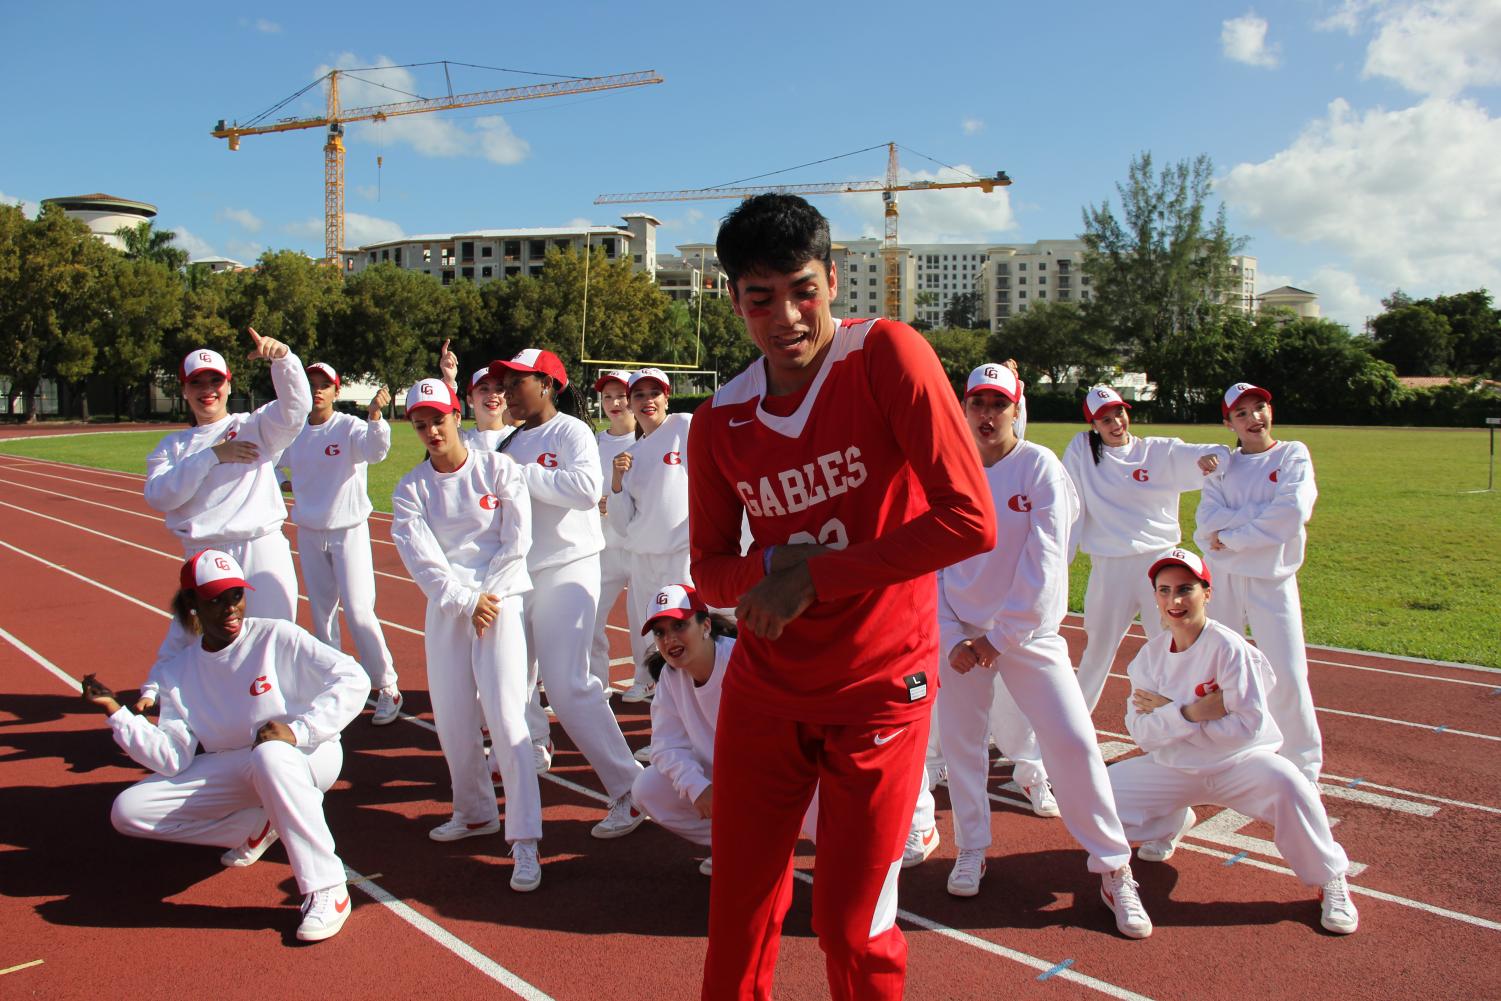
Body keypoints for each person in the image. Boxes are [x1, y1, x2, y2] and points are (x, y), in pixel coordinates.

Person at [687, 194, 995, 1001]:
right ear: (733, 301)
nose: (784, 315)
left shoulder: (886, 354)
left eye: (801, 289)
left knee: (851, 925)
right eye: (760, 298)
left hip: (879, 688)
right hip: (766, 690)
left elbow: (968, 520)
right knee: (739, 910)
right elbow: (709, 571)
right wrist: (767, 570)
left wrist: (812, 576)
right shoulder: (718, 420)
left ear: (833, 278)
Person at [928, 364, 1151, 938]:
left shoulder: (1041, 468)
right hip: (961, 637)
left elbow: (1046, 567)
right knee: (961, 747)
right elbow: (935, 565)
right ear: (964, 407)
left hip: (1029, 636)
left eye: (997, 404)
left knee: (1074, 743)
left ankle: (1113, 866)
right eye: (977, 403)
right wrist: (954, 637)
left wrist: (998, 639)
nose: (986, 415)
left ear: (1016, 408)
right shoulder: (948, 472)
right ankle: (972, 847)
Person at [86, 549, 367, 941]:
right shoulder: (176, 672)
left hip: (307, 754)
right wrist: (118, 714)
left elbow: (352, 677)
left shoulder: (275, 635)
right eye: (215, 600)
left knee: (270, 755)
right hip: (242, 765)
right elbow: (171, 756)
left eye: (235, 595)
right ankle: (253, 824)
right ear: (192, 605)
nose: (229, 608)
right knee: (128, 810)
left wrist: (301, 730)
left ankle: (327, 887)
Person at [1107, 547, 1357, 934]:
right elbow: (1140, 731)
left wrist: (1169, 715)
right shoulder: (1149, 658)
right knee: (1099, 797)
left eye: (1185, 589)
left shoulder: (1232, 651)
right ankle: (1144, 848)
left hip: (1239, 765)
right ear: (1154, 595)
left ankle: (1329, 878)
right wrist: (1193, 711)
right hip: (1175, 766)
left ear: (1207, 592)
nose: (1174, 600)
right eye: (1164, 590)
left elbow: (1248, 728)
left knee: (1292, 785)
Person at [389, 378, 543, 891]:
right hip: (450, 608)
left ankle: (524, 841)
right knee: (453, 715)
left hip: (500, 599)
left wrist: (487, 599)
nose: (432, 430)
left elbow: (517, 539)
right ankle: (475, 810)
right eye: (421, 424)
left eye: (439, 419)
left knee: (505, 714)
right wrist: (463, 601)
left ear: (458, 415)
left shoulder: (498, 468)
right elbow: (423, 561)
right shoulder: (411, 489)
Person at [492, 349, 646, 838]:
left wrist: (522, 475)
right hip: (522, 574)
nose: (509, 390)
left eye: (518, 381)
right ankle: (530, 761)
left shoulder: (571, 432)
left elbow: (585, 488)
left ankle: (630, 789)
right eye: (505, 381)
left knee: (568, 686)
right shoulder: (510, 442)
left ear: (547, 384)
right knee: (509, 683)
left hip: (569, 568)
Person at [137, 330, 311, 709]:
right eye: (196, 383)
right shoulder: (172, 448)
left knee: (275, 640)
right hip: (205, 553)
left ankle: (282, 721)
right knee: (203, 642)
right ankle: (194, 714)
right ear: (184, 390)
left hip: (259, 545)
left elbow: (296, 410)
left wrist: (283, 360)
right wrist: (214, 455)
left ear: (228, 384)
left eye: (215, 380)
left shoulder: (253, 426)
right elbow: (160, 494)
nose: (207, 390)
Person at [1064, 385, 1227, 712]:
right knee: (1097, 651)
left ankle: (1177, 720)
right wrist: (1060, 561)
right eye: (1105, 419)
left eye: (1119, 414)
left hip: (1160, 565)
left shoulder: (1157, 451)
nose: (1115, 424)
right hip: (1110, 568)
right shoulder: (1082, 451)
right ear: (1093, 426)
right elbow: (1068, 503)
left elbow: (1218, 453)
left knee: (1172, 645)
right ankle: (1073, 729)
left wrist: (1212, 459)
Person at [1193, 382, 1323, 783]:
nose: (1255, 419)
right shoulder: (1223, 466)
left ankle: (1303, 765)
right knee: (1222, 668)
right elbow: (1205, 525)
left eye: (1259, 408)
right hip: (1227, 578)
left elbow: (1290, 513)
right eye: (1242, 413)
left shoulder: (1292, 454)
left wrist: (1232, 536)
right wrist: (1252, 521)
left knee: (1286, 672)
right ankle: (1229, 750)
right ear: (1228, 422)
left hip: (1272, 580)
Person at [279, 363, 402, 725]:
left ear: (336, 390)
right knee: (322, 615)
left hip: (348, 530)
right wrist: (286, 483)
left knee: (360, 610)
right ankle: (334, 684)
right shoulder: (294, 434)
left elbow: (376, 451)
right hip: (310, 531)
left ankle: (387, 686)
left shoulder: (348, 427)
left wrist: (376, 416)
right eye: (311, 385)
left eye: (324, 386)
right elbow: (269, 463)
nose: (317, 391)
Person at [609, 367, 693, 703]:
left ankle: (698, 729)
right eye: (639, 395)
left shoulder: (683, 426)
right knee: (652, 645)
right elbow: (620, 523)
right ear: (630, 403)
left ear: (666, 397)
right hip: (643, 562)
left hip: (681, 556)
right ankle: (665, 732)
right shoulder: (631, 456)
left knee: (689, 641)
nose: (647, 401)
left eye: (654, 393)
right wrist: (616, 482)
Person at [590, 369, 637, 697]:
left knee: (644, 618)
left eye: (621, 395)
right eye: (608, 397)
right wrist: (596, 502)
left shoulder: (649, 439)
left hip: (639, 545)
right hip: (603, 544)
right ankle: (596, 682)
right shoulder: (595, 442)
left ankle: (647, 680)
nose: (614, 403)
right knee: (590, 616)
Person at [440, 338, 517, 451]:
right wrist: (449, 380)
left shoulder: (518, 438)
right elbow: (439, 417)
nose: (493, 394)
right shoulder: (461, 440)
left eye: (500, 389)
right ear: (470, 400)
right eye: (484, 389)